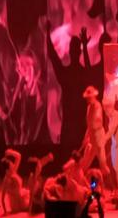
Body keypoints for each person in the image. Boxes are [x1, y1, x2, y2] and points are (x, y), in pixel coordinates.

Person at [46, 20, 89, 152]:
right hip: (76, 130)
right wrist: (84, 47)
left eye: (73, 48)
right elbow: (53, 56)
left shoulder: (68, 75)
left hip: (72, 131)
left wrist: (47, 33)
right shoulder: (81, 74)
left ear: (70, 52)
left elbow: (53, 56)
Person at [80, 86, 109, 176]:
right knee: (86, 161)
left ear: (94, 97)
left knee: (102, 162)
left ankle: (110, 181)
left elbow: (95, 122)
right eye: (87, 98)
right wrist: (86, 138)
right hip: (92, 137)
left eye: (89, 97)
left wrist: (89, 135)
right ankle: (81, 178)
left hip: (98, 137)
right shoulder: (89, 107)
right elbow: (89, 125)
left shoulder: (97, 106)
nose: (88, 99)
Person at [0, 149, 30, 214]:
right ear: (7, 169)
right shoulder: (7, 180)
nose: (13, 164)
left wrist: (10, 152)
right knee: (35, 202)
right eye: (11, 164)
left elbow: (18, 156)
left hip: (21, 197)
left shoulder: (13, 171)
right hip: (18, 204)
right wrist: (5, 212)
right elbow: (2, 198)